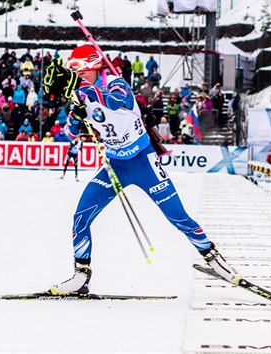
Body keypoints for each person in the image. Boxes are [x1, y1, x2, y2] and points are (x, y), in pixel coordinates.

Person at [43, 45, 240, 295]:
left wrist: (87, 91)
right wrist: (77, 114)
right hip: (115, 166)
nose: (77, 78)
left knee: (178, 217)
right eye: (74, 74)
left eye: (80, 72)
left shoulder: (115, 83)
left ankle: (214, 258)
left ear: (93, 68)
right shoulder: (79, 94)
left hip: (143, 162)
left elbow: (120, 102)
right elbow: (69, 132)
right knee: (81, 217)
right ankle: (81, 276)